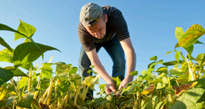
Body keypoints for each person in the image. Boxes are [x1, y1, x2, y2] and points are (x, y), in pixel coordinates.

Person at [78, 2, 136, 97]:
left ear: (105, 18)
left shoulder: (116, 16)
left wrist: (128, 79)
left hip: (112, 38)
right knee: (83, 63)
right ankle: (86, 100)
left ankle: (117, 96)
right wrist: (108, 80)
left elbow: (129, 50)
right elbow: (94, 61)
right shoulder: (82, 31)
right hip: (92, 42)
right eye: (92, 32)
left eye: (99, 29)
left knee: (120, 61)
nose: (98, 35)